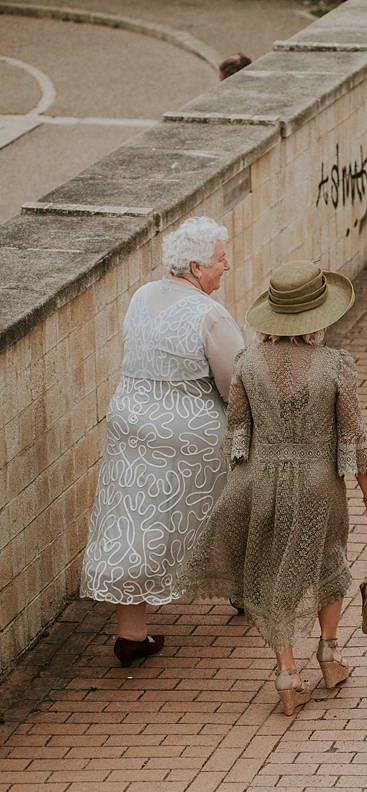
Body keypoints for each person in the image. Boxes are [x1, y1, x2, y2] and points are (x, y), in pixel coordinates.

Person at [181, 261, 367, 716]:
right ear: (318, 315)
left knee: (273, 574)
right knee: (328, 562)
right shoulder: (335, 364)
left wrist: (239, 489)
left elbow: (237, 434)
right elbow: (353, 437)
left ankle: (287, 675)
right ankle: (330, 654)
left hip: (260, 481)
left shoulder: (247, 362)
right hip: (318, 483)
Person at [80, 217, 244, 667]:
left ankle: (131, 634)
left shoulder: (142, 295)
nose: (225, 265)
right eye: (219, 259)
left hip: (130, 422)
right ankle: (243, 590)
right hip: (189, 433)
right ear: (195, 266)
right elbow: (235, 384)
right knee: (226, 506)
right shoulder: (210, 315)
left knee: (134, 518)